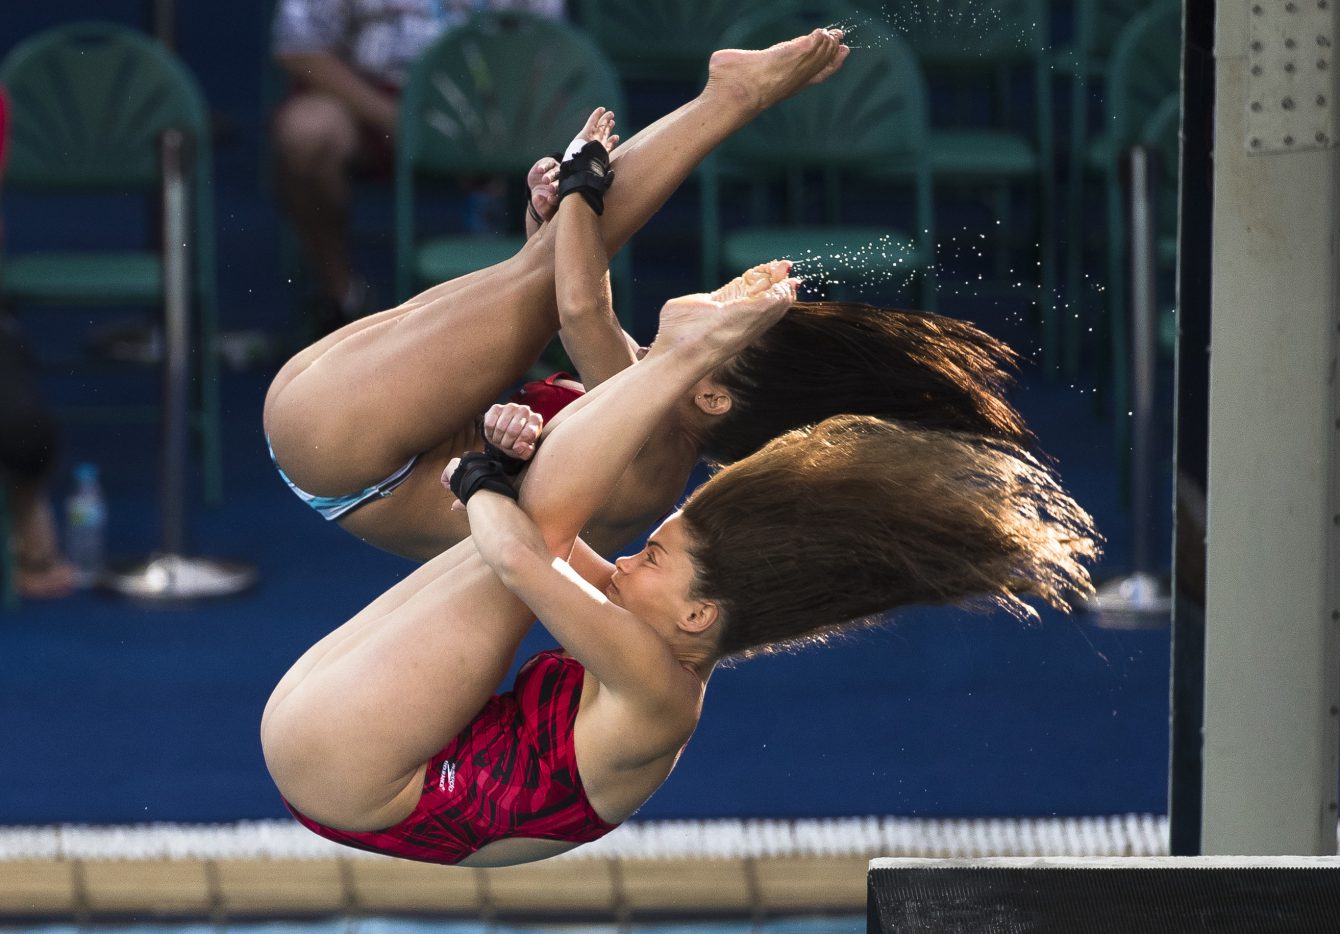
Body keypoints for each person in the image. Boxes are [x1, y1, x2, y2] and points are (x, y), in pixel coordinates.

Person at [260, 260, 1099, 868]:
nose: (632, 558)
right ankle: (680, 356)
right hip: (340, 758)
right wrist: (501, 471)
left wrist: (486, 474)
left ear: (700, 614)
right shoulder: (660, 633)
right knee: (544, 511)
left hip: (359, 773)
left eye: (655, 553)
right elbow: (530, 538)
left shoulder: (658, 686)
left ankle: (685, 356)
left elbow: (522, 557)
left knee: (541, 522)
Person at [264, 28, 1032, 562]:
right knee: (537, 268)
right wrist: (557, 216)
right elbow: (568, 283)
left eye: (733, 315)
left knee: (544, 277)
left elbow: (578, 306)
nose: (731, 291)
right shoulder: (659, 405)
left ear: (714, 398)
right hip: (349, 436)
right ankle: (727, 99)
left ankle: (733, 98)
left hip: (345, 447)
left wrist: (580, 191)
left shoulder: (652, 434)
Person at [269, 0, 566, 330]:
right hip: (373, 101)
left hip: (489, 99)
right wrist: (395, 119)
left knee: (584, 130)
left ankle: (554, 305)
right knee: (305, 133)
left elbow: (552, 45)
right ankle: (342, 298)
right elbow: (297, 48)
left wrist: (496, 117)